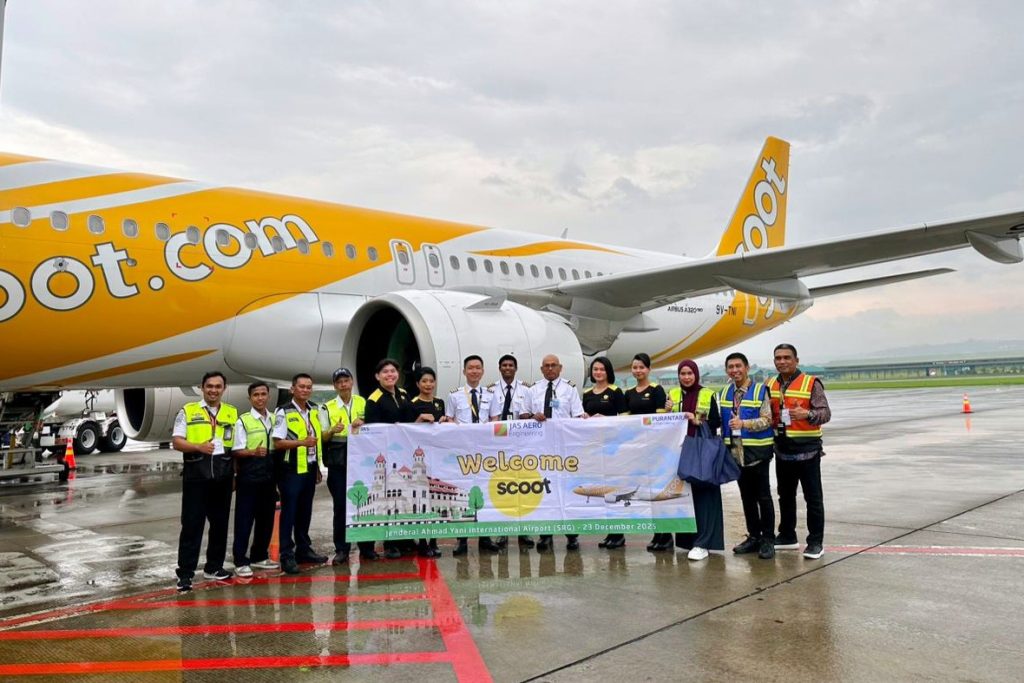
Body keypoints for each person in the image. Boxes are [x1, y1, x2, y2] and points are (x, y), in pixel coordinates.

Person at [171, 371, 237, 592]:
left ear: (224, 389)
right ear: (202, 387)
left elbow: (234, 446)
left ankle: (214, 568)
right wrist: (198, 447)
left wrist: (234, 474)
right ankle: (185, 574)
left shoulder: (231, 412)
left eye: (218, 386)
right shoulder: (188, 411)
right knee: (192, 526)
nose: (213, 390)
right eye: (209, 386)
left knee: (220, 525)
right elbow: (177, 442)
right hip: (196, 477)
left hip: (222, 477)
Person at [767, 343, 832, 560]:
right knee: (785, 496)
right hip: (782, 450)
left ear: (796, 360)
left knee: (813, 499)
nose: (782, 361)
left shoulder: (811, 383)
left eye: (787, 357)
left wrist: (807, 414)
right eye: (778, 358)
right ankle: (787, 535)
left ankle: (815, 542)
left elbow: (825, 413)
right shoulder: (770, 384)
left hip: (807, 451)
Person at [666, 360, 725, 561]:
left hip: (701, 452)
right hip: (680, 452)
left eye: (690, 373)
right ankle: (689, 541)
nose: (686, 377)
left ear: (696, 374)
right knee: (685, 497)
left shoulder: (707, 393)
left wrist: (696, 418)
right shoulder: (673, 394)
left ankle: (704, 542)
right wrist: (667, 411)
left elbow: (716, 422)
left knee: (704, 498)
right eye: (682, 373)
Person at [525, 354, 585, 552]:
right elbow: (523, 414)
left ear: (560, 368)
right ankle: (546, 535)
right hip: (541, 450)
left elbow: (578, 416)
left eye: (553, 365)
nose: (550, 369)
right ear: (541, 369)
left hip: (564, 451)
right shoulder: (533, 390)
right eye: (546, 366)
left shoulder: (569, 389)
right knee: (545, 492)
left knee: (568, 492)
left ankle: (572, 535)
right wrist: (533, 415)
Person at [719, 352, 776, 560]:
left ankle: (768, 539)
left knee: (763, 497)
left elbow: (767, 419)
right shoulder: (725, 392)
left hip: (757, 453)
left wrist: (743, 424)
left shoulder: (760, 390)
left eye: (738, 366)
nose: (734, 370)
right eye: (731, 367)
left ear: (747, 368)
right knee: (747, 498)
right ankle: (753, 536)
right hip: (736, 454)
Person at [272, 373, 328, 575]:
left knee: (305, 511)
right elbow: (278, 442)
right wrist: (301, 443)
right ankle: (286, 555)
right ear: (292, 389)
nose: (305, 390)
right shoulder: (283, 411)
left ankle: (304, 549)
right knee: (289, 513)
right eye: (301, 386)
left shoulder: (313, 409)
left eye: (308, 387)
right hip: (291, 469)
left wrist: (317, 467)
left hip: (309, 467)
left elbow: (317, 439)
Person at [446, 354, 501, 556]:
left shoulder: (491, 395)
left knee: (483, 494)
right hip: (463, 453)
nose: (474, 371)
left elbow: (495, 420)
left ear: (483, 371)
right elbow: (449, 420)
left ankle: (485, 538)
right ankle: (462, 540)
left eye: (478, 368)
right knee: (463, 494)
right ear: (464, 371)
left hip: (484, 454)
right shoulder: (454, 396)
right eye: (471, 368)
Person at [323, 368, 375, 564]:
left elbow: (374, 425)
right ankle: (342, 549)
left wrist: (364, 421)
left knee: (365, 503)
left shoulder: (363, 402)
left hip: (361, 459)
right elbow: (322, 436)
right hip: (338, 460)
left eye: (346, 380)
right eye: (339, 382)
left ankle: (367, 547)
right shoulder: (327, 407)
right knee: (341, 506)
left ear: (352, 382)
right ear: (334, 386)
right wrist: (331, 430)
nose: (343, 384)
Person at [364, 358, 412, 560]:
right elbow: (373, 429)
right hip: (386, 456)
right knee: (388, 501)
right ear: (377, 376)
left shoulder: (403, 394)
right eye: (385, 372)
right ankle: (388, 543)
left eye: (393, 371)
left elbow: (410, 419)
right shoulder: (374, 399)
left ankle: (402, 539)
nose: (390, 375)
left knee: (403, 498)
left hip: (404, 455)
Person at [231, 381, 280, 577]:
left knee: (266, 519)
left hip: (269, 476)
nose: (260, 398)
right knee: (244, 520)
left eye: (263, 394)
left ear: (268, 396)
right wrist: (253, 452)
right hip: (249, 476)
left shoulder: (275, 419)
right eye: (256, 395)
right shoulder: (243, 421)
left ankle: (259, 556)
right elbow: (236, 450)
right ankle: (240, 560)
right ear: (250, 398)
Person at [623, 353, 670, 552]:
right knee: (647, 492)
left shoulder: (657, 390)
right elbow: (626, 422)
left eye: (642, 367)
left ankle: (666, 535)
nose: (638, 371)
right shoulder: (628, 394)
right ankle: (657, 533)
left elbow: (660, 421)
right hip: (639, 448)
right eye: (635, 367)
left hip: (656, 448)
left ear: (649, 369)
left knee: (659, 491)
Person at [400, 366, 449, 558]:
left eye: (431, 381)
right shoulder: (411, 405)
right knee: (420, 500)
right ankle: (422, 542)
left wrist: (445, 421)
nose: (428, 385)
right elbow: (406, 433)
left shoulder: (439, 403)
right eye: (424, 381)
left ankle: (434, 541)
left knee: (435, 498)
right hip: (419, 460)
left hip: (437, 456)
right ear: (417, 384)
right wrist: (420, 419)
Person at [488, 353, 535, 550]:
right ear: (499, 368)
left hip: (521, 445)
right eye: (504, 365)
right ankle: (503, 531)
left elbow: (531, 414)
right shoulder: (490, 390)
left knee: (523, 488)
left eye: (510, 365)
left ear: (516, 368)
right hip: (500, 444)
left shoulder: (526, 390)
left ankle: (524, 531)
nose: (507, 368)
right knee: (503, 488)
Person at [582, 356, 628, 549]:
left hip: (612, 447)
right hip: (595, 447)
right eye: (595, 369)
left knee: (614, 490)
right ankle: (610, 532)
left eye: (602, 369)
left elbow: (625, 420)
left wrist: (607, 419)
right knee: (602, 491)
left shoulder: (616, 392)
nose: (598, 372)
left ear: (608, 371)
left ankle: (618, 534)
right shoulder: (587, 394)